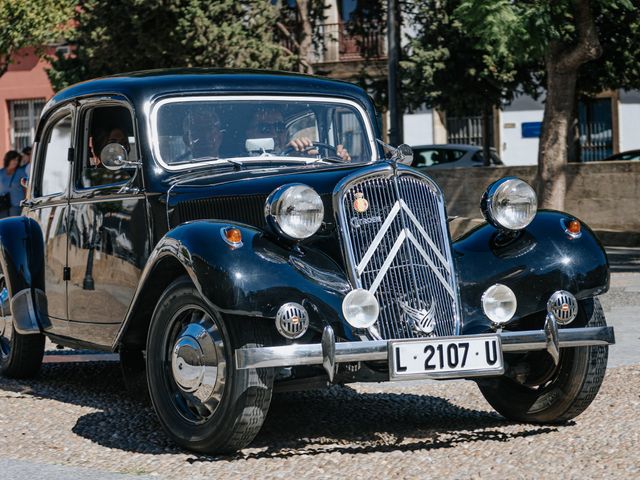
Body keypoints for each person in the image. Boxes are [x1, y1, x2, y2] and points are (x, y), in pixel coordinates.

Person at [245, 107, 351, 161]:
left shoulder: (299, 156)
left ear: (286, 132)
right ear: (248, 133)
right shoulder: (237, 164)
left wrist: (336, 161)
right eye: (265, 128)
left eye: (279, 127)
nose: (274, 134)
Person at [0, 150, 27, 218]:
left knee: (14, 224)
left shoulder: (21, 172)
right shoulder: (1, 172)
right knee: (3, 224)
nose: (16, 162)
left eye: (17, 160)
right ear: (8, 159)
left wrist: (26, 201)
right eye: (14, 159)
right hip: (3, 205)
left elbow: (26, 187)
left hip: (17, 205)